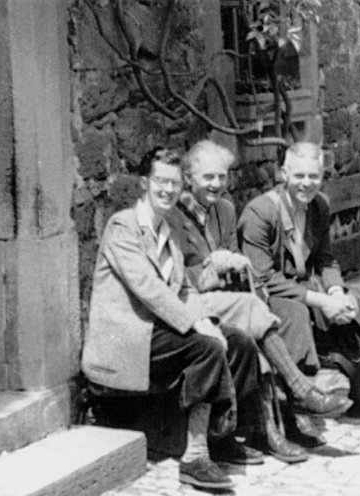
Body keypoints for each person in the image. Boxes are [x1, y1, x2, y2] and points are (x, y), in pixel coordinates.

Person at [81, 147, 262, 491]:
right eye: (161, 181)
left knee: (237, 341)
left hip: (159, 331)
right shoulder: (123, 227)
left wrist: (205, 318)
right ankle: (194, 458)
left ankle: (220, 438)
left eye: (174, 184)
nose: (167, 190)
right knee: (207, 348)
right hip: (128, 340)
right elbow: (149, 289)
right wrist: (197, 327)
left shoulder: (169, 231)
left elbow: (181, 290)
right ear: (145, 183)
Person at [167, 140, 351, 458]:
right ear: (188, 178)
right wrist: (214, 268)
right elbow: (178, 278)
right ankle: (288, 407)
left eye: (222, 177)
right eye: (207, 177)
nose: (216, 185)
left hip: (229, 299)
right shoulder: (172, 218)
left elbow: (241, 260)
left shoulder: (224, 210)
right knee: (252, 317)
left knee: (265, 315)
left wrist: (234, 267)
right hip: (193, 303)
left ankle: (279, 423)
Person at [238, 141, 360, 421]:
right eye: (299, 176)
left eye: (313, 176)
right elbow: (263, 277)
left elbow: (325, 259)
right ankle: (296, 409)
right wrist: (321, 300)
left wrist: (337, 293)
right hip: (269, 296)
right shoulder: (260, 212)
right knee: (296, 313)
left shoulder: (318, 206)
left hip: (306, 289)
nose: (306, 183)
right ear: (283, 174)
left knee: (357, 303)